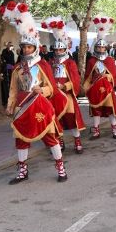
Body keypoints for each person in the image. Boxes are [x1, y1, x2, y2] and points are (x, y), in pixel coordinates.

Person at [1, 2, 67, 184]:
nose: (26, 50)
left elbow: (52, 88)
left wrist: (43, 89)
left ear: (35, 48)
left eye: (29, 47)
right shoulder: (17, 68)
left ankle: (60, 167)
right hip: (22, 105)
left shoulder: (43, 65)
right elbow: (13, 89)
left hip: (40, 104)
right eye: (24, 47)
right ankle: (22, 171)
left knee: (50, 137)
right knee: (21, 139)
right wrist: (9, 106)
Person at [44, 17, 86, 154]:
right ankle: (59, 140)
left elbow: (75, 79)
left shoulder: (70, 63)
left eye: (60, 50)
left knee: (71, 118)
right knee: (57, 119)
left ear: (64, 50)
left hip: (67, 96)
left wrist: (65, 86)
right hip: (54, 96)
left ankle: (77, 141)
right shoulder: (50, 63)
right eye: (56, 51)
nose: (58, 53)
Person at [83, 16, 116, 139]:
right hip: (95, 90)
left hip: (108, 89)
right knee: (96, 111)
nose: (100, 49)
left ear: (106, 48)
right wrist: (87, 89)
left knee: (110, 110)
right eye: (99, 47)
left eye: (103, 47)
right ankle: (96, 130)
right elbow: (88, 76)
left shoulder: (110, 60)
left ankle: (114, 130)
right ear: (96, 48)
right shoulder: (91, 60)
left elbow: (114, 76)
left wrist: (107, 76)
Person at [0, 42, 16, 106]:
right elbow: (4, 62)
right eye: (9, 45)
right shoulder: (4, 51)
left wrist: (12, 67)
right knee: (5, 86)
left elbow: (12, 62)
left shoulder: (12, 53)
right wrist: (8, 66)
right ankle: (5, 100)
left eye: (11, 45)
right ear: (7, 46)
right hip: (4, 71)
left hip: (10, 71)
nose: (10, 46)